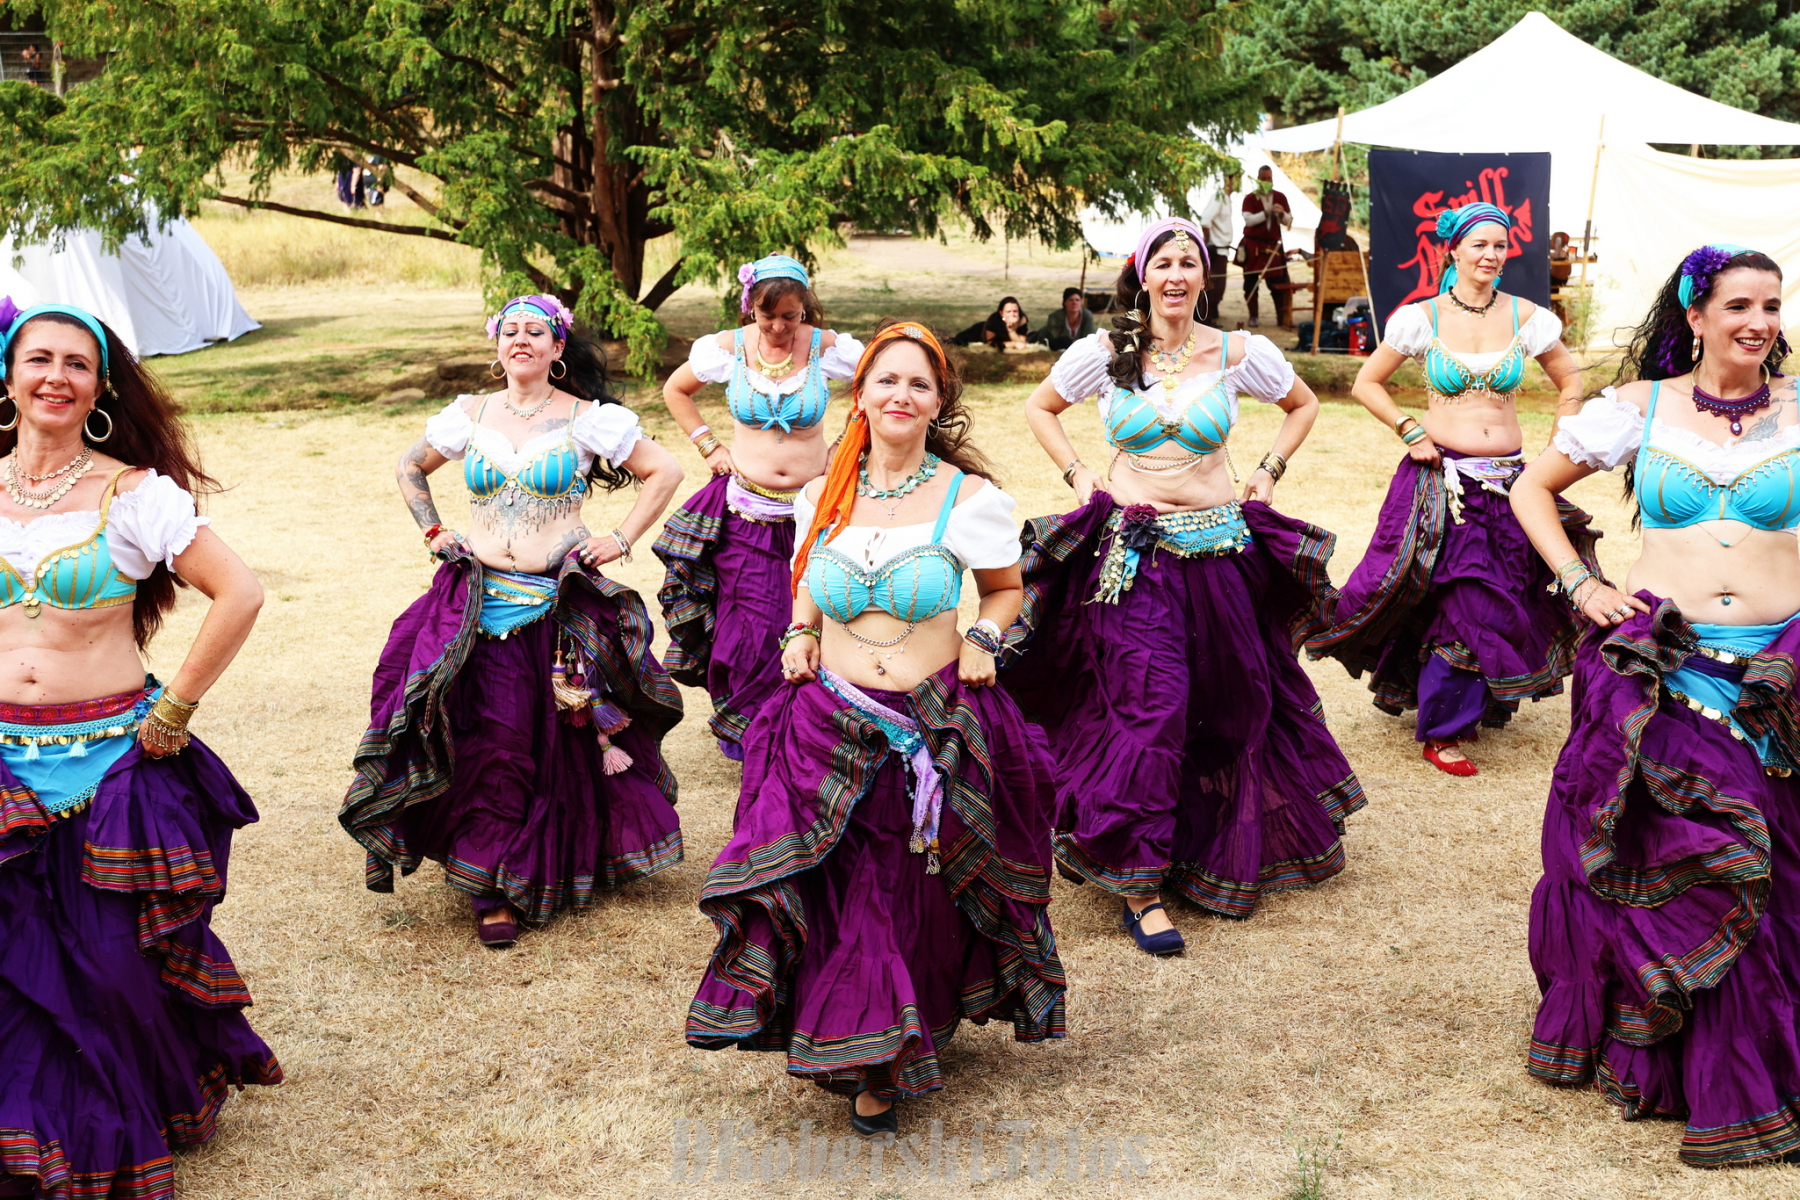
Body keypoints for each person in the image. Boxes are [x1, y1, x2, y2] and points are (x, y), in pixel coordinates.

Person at [686, 321, 1064, 1136]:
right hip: (825, 719)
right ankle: (856, 1038)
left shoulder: (969, 499)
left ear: (938, 401)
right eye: (886, 380)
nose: (901, 395)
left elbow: (1006, 590)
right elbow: (805, 579)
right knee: (840, 888)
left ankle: (888, 1043)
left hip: (928, 725)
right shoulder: (822, 493)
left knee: (900, 892)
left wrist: (985, 636)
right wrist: (798, 631)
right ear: (858, 394)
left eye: (919, 384)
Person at [1511, 245, 1800, 1168]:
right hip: (1666, 667)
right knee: (1695, 856)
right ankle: (1698, 1059)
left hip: (1776, 672)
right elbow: (1531, 489)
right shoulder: (1637, 407)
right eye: (1739, 305)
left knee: (1775, 863)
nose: (1759, 322)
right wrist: (1580, 583)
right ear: (1697, 314)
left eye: (1772, 306)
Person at [1008, 217, 1363, 955]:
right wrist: (1080, 475)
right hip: (1132, 559)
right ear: (1142, 275)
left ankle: (1201, 845)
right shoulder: (1105, 352)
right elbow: (1040, 407)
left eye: (1188, 263)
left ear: (1205, 276)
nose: (1175, 276)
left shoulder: (1239, 353)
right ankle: (1139, 886)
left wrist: (1267, 471)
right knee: (1152, 708)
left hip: (1221, 555)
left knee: (1230, 706)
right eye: (1163, 263)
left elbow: (1304, 404)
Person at [0, 300, 282, 1196]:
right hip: (3, 769)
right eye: (38, 359)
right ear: (7, 376)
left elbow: (239, 592)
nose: (56, 377)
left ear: (100, 389)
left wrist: (176, 711)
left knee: (112, 968)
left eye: (76, 364)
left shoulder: (134, 494)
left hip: (108, 767)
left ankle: (128, 1102)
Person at [342, 295, 686, 949]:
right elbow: (409, 465)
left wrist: (619, 538)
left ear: (557, 349)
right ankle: (492, 887)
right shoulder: (469, 415)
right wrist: (434, 530)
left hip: (556, 607)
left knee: (548, 747)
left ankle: (546, 861)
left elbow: (664, 470)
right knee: (486, 741)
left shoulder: (587, 419)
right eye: (510, 330)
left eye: (536, 331)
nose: (521, 338)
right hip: (474, 602)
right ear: (496, 346)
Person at [1306, 203, 1590, 777]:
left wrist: (1557, 445)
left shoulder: (1527, 316)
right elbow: (1367, 382)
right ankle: (1443, 729)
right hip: (1444, 484)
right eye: (1479, 244)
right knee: (1463, 598)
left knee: (1503, 594)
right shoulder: (1422, 318)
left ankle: (1473, 699)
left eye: (1499, 245)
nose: (1490, 255)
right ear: (1453, 250)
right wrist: (1409, 429)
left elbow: (1571, 379)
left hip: (1511, 484)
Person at [654, 254, 863, 760]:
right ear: (751, 307)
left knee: (810, 623)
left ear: (804, 309)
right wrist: (709, 445)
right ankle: (755, 739)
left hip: (813, 514)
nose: (779, 327)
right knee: (751, 630)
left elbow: (875, 388)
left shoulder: (827, 347)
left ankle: (807, 735)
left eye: (790, 316)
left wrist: (844, 445)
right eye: (768, 316)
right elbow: (675, 390)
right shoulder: (728, 348)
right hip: (746, 512)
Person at [1240, 166, 1293, 328]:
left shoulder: (1280, 197)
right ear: (1258, 179)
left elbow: (1289, 220)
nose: (1267, 181)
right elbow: (1249, 220)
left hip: (1273, 246)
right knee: (1250, 283)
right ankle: (1253, 316)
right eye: (1263, 178)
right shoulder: (1250, 198)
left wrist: (1281, 213)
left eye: (1269, 178)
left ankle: (1281, 316)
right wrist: (1268, 212)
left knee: (1277, 283)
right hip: (1253, 245)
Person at [1199, 167, 1241, 327]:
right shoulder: (1219, 197)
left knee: (1219, 288)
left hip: (1222, 249)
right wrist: (1208, 242)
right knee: (1213, 288)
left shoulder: (1227, 198)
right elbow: (1205, 220)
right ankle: (1206, 322)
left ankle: (1211, 319)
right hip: (1215, 250)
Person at [1039, 287, 1097, 351]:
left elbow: (1089, 338)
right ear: (1065, 302)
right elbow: (1054, 339)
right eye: (1071, 300)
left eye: (1077, 300)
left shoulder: (1087, 315)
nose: (1074, 303)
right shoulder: (1055, 317)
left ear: (1081, 302)